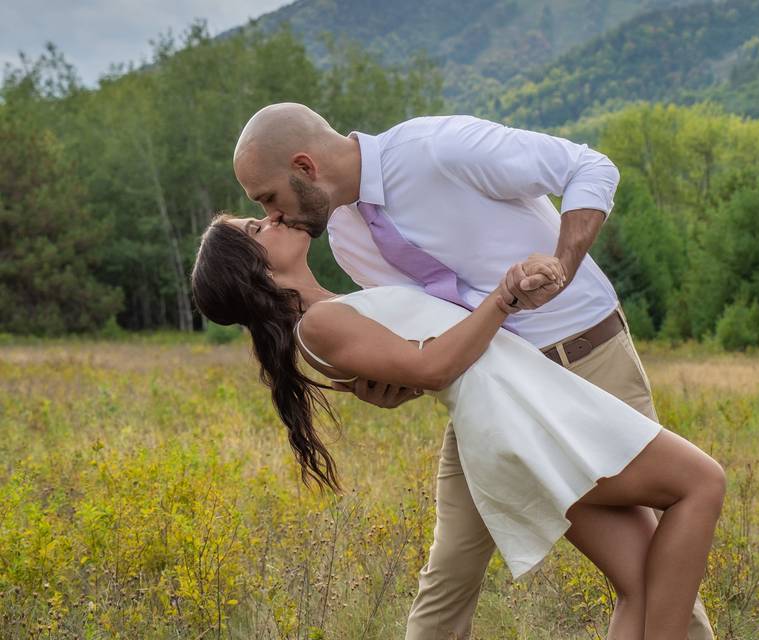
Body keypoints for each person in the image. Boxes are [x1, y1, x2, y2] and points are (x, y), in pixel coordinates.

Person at [222, 102, 719, 639]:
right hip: (492, 400)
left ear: (304, 166)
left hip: (583, 362)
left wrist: (562, 269)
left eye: (269, 200)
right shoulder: (347, 243)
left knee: (649, 572)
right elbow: (430, 338)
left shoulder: (436, 149)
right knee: (454, 567)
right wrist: (403, 382)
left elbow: (590, 167)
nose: (274, 215)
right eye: (262, 212)